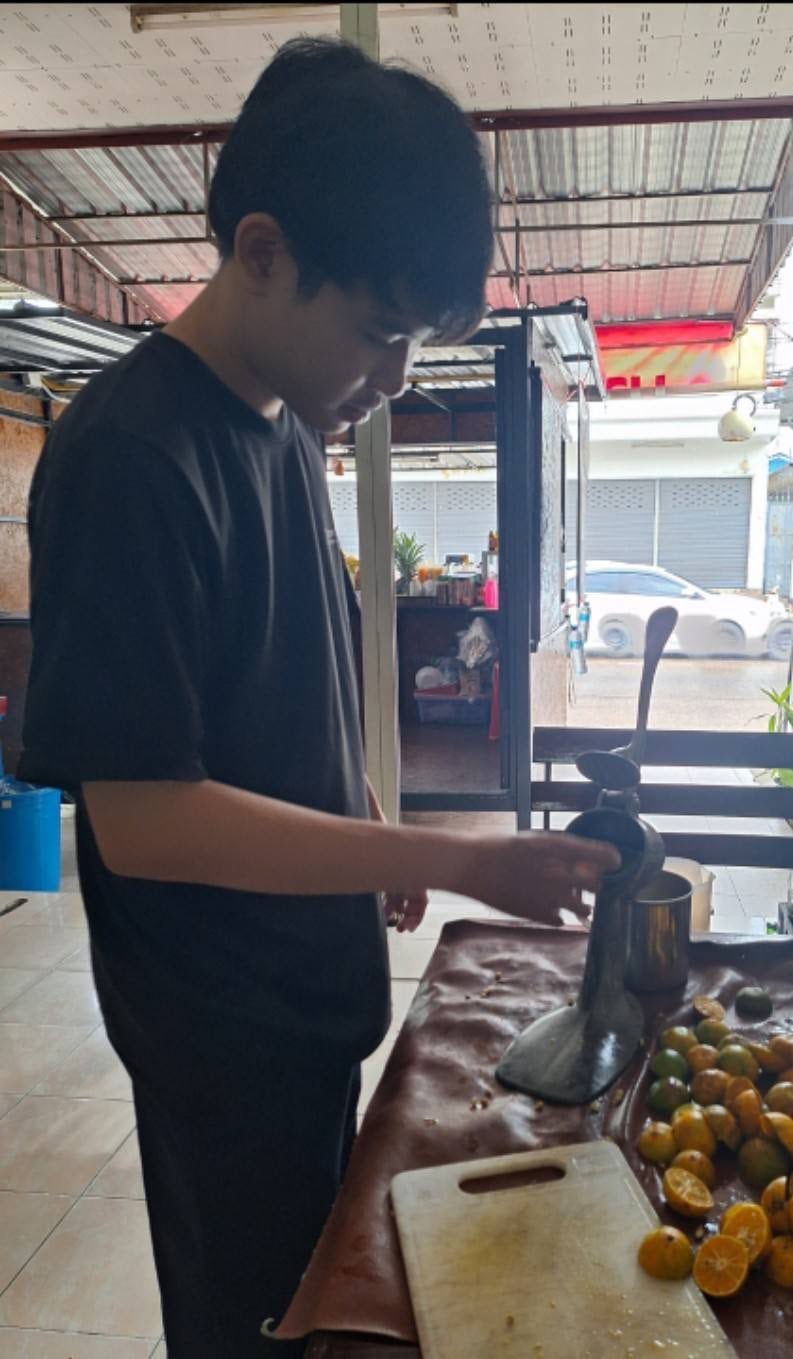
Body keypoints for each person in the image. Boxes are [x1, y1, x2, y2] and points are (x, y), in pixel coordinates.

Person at [19, 38, 618, 1359]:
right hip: (218, 1032)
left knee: (319, 1297)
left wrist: (364, 820)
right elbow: (146, 819)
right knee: (256, 1325)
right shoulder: (129, 458)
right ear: (263, 251)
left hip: (304, 992)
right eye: (381, 331)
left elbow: (286, 675)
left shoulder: (288, 424)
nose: (394, 377)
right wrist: (451, 857)